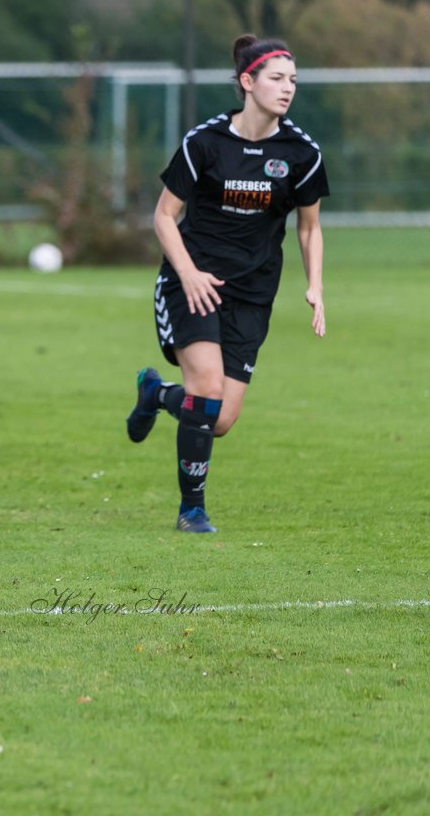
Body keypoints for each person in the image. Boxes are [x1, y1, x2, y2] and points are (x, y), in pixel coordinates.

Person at [125, 34, 328, 533]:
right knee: (208, 388)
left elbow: (309, 226)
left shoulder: (301, 152)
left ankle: (154, 393)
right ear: (247, 82)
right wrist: (188, 272)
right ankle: (191, 510)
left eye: (293, 80)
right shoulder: (205, 143)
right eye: (277, 79)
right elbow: (164, 216)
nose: (287, 89)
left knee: (218, 419)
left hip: (253, 292)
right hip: (192, 281)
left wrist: (316, 286)